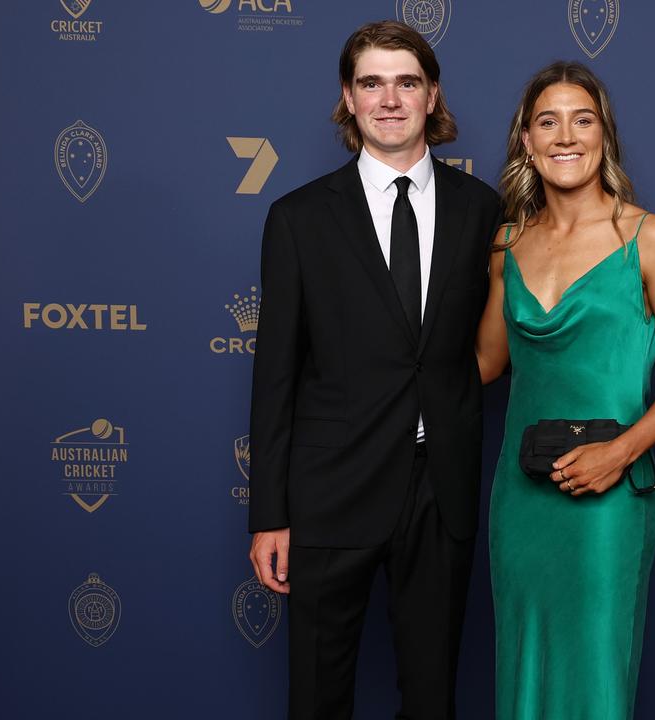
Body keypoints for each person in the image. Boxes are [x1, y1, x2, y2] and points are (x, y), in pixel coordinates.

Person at [247, 20, 501, 720]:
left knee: (431, 697)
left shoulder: (483, 210)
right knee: (318, 698)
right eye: (372, 83)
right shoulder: (297, 219)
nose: (390, 98)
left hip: (439, 487)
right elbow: (274, 377)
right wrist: (269, 515)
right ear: (349, 99)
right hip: (331, 489)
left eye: (406, 82)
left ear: (432, 95)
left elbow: (502, 336)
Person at [475, 61, 655, 719]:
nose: (565, 136)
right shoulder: (506, 245)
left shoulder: (650, 238)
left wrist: (623, 451)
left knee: (598, 671)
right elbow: (484, 364)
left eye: (582, 120)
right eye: (547, 121)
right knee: (524, 664)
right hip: (522, 499)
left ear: (603, 134)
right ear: (527, 140)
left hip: (612, 499)